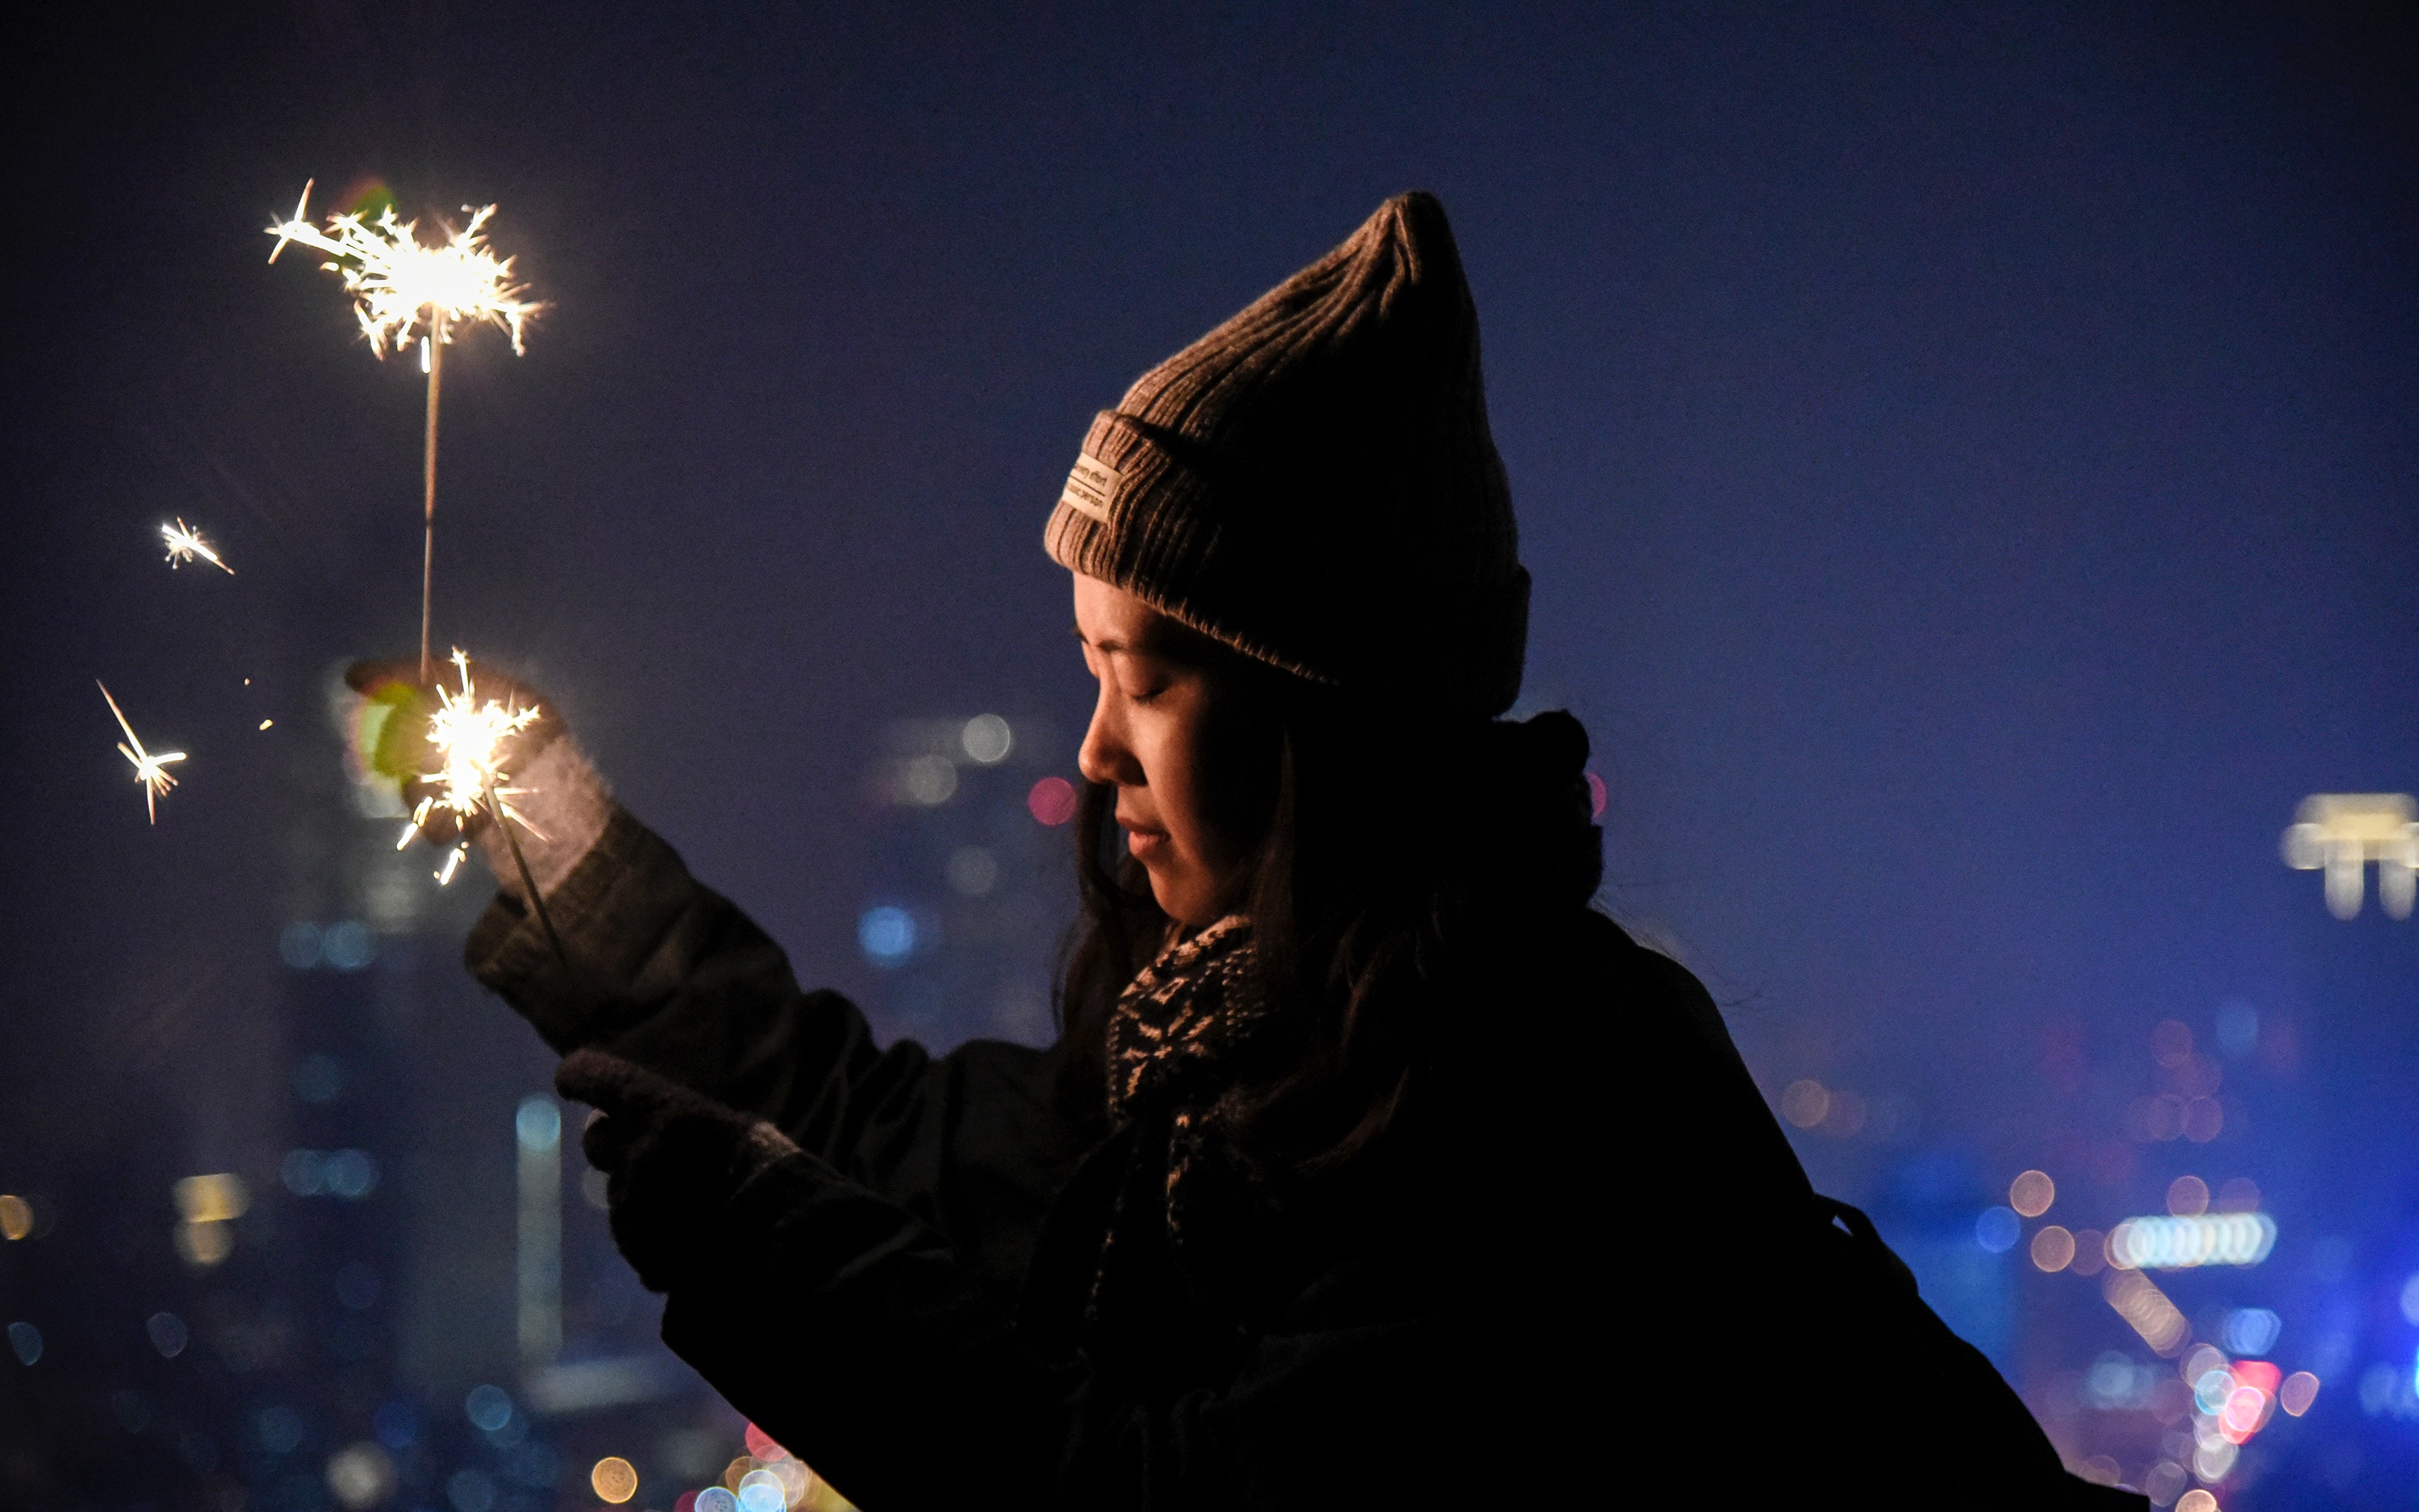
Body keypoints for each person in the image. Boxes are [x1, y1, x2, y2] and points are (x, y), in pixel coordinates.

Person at [354, 194, 2142, 1510]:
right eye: (1086, 670)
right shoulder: (1238, 1057)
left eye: (1144, 677)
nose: (1094, 748)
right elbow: (902, 1142)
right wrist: (559, 849)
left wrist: (771, 1267)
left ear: (1327, 714)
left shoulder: (1536, 1095)